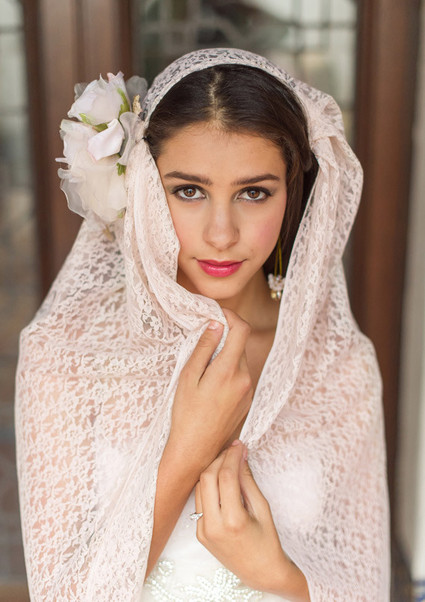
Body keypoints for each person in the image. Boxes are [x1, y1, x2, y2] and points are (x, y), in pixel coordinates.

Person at [15, 48, 390, 601]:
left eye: (254, 193)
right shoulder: (66, 354)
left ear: (292, 196)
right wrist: (187, 450)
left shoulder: (340, 365)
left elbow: (366, 586)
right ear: (143, 188)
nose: (221, 233)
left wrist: (278, 575)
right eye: (188, 190)